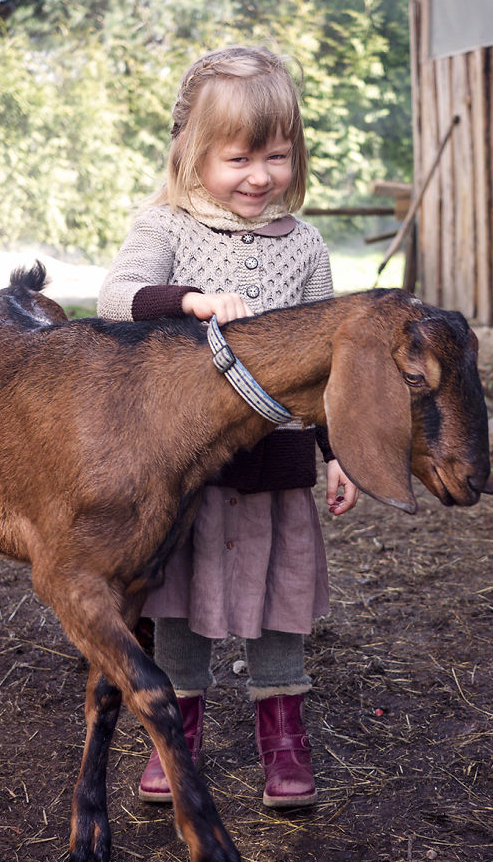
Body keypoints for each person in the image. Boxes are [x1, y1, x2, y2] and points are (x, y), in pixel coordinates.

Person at [97, 45, 358, 809]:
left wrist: (337, 453)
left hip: (276, 466)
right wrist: (191, 300)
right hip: (187, 468)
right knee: (180, 602)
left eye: (276, 156)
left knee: (280, 599)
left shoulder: (304, 246)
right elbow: (116, 296)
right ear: (192, 153)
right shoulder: (167, 226)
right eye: (238, 157)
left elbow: (324, 365)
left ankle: (284, 736)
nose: (259, 176)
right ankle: (175, 736)